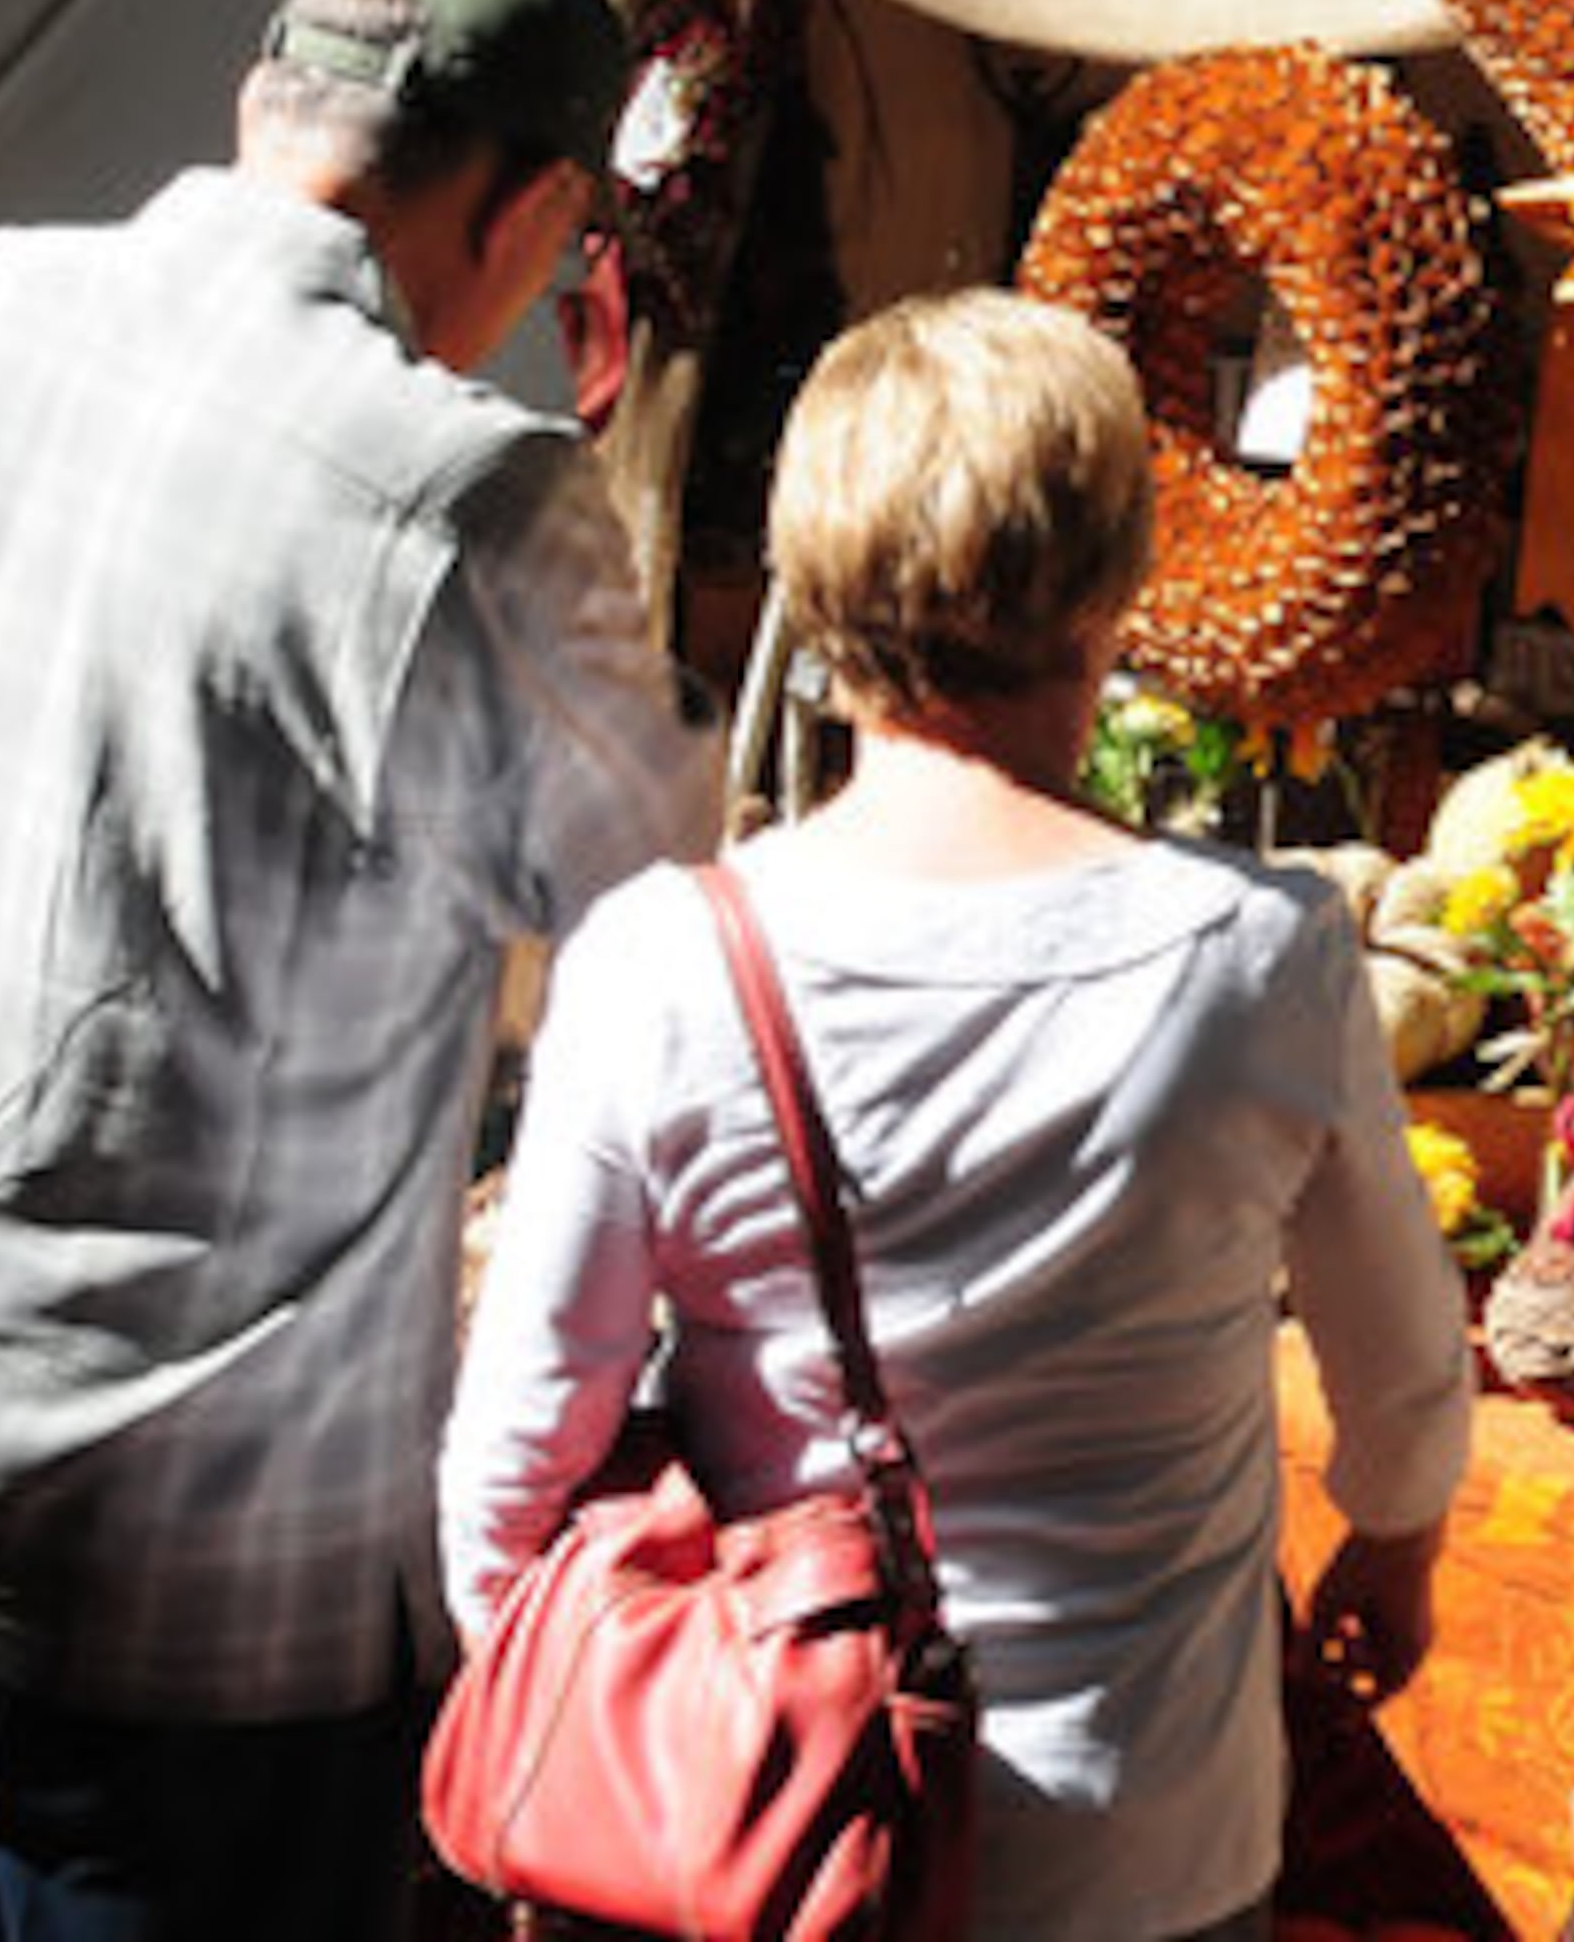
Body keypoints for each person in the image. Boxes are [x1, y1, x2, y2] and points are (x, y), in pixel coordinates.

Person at [0, 0, 719, 1937]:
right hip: (190, 1603)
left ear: (252, 105)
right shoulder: (470, 500)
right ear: (539, 207)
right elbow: (670, 926)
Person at [441, 288, 1475, 1942]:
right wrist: (1395, 1544)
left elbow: (514, 1467)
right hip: (1153, 1842)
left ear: (813, 578)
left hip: (774, 1836)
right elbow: (1408, 1375)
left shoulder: (663, 960)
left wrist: (627, 1744)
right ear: (1121, 582)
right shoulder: (1261, 955)